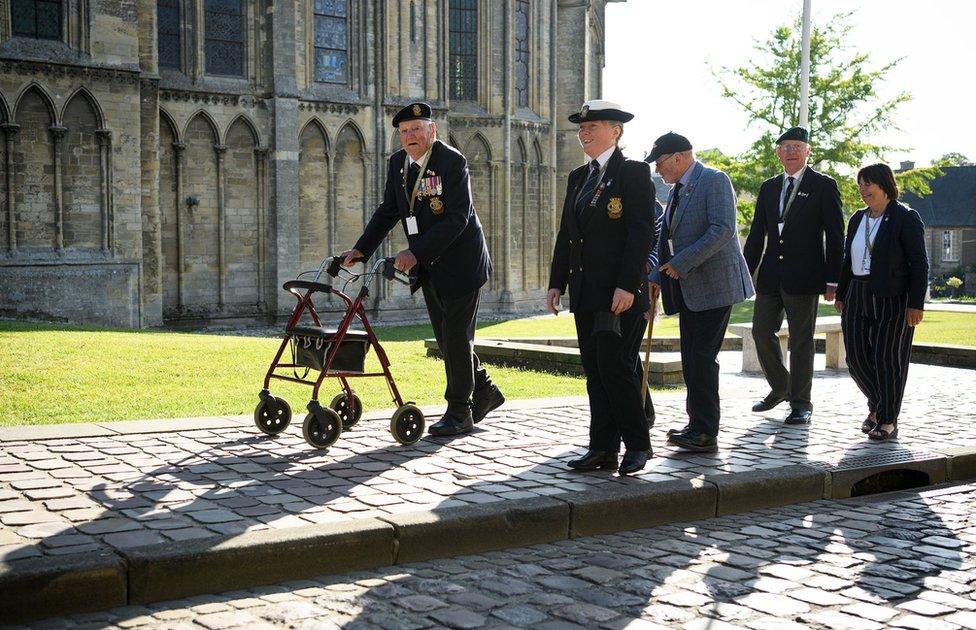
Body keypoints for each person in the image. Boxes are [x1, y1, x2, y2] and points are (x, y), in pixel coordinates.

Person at [341, 102, 504, 437]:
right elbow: (388, 211)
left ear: (433, 130)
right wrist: (362, 249)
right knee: (447, 340)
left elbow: (458, 217)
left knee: (457, 338)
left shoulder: (452, 161)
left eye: (416, 129)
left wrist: (415, 251)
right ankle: (484, 389)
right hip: (429, 265)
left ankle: (460, 413)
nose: (410, 136)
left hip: (461, 264)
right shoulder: (398, 163)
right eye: (404, 131)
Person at [547, 100, 655, 475]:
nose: (585, 133)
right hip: (587, 293)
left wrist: (628, 285)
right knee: (595, 371)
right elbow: (568, 235)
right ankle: (603, 448)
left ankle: (639, 445)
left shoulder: (634, 172)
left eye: (593, 127)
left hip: (619, 295)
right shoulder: (579, 177)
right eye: (581, 127)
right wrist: (556, 282)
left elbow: (642, 233)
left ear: (616, 131)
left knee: (617, 368)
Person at [646, 132, 754, 453]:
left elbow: (723, 229)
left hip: (715, 287)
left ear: (679, 157)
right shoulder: (677, 189)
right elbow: (666, 236)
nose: (658, 171)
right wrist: (655, 275)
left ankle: (706, 431)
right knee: (692, 360)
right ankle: (697, 425)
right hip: (688, 289)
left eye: (661, 163)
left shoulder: (714, 180)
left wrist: (682, 262)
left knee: (703, 358)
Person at [742, 126, 845, 425]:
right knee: (761, 331)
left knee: (801, 341)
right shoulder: (769, 187)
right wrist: (746, 274)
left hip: (805, 275)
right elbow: (756, 234)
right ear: (777, 153)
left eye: (796, 147)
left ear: (808, 151)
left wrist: (833, 279)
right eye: (785, 147)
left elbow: (836, 235)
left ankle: (801, 404)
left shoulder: (824, 185)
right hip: (771, 275)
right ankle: (781, 387)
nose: (790, 152)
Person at [835, 163, 928, 441]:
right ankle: (878, 403)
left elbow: (919, 264)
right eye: (860, 184)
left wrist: (916, 303)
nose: (863, 190)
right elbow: (846, 259)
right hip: (857, 294)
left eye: (868, 184)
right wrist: (841, 293)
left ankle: (887, 419)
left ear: (885, 185)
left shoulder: (905, 217)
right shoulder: (857, 218)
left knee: (888, 358)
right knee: (855, 358)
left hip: (894, 298)